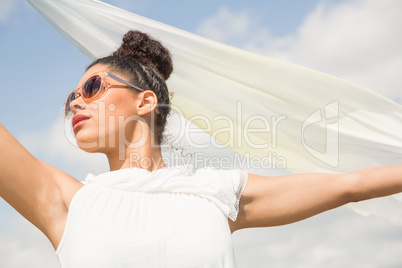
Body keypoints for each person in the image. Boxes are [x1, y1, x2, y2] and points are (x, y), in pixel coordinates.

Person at [0, 30, 401, 268]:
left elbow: (351, 184)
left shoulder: (217, 193)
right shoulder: (65, 202)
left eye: (92, 88)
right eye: (72, 95)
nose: (75, 102)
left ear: (145, 102)